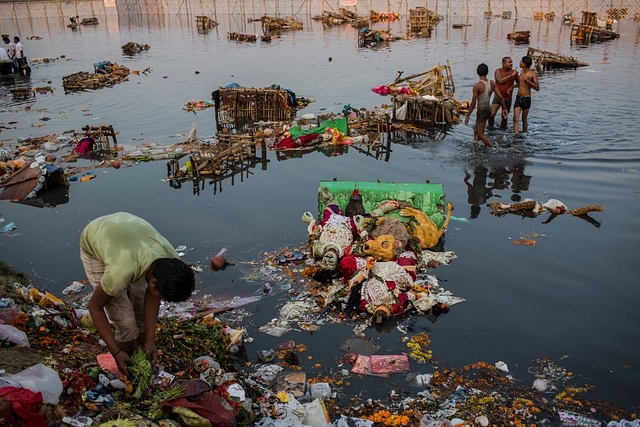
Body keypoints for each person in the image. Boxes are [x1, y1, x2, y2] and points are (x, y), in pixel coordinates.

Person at [80, 212, 196, 375]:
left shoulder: (171, 262)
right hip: (96, 239)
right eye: (162, 297)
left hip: (130, 234)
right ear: (153, 281)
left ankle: (142, 353)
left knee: (140, 313)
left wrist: (150, 340)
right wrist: (116, 352)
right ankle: (126, 365)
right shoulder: (120, 272)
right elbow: (94, 307)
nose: (162, 300)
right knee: (125, 322)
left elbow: (153, 296)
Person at [465, 63, 507, 148]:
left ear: (477, 72)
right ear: (487, 72)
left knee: (480, 134)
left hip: (481, 110)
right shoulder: (492, 83)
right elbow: (500, 97)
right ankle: (476, 144)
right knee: (476, 129)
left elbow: (473, 103)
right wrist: (504, 108)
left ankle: (493, 148)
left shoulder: (477, 86)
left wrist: (468, 115)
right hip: (488, 109)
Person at [488, 57, 519, 129]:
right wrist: (511, 75)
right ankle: (490, 128)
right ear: (503, 64)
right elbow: (500, 80)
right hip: (497, 97)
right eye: (509, 62)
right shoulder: (498, 71)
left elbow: (519, 83)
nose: (511, 64)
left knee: (504, 118)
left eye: (511, 62)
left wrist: (512, 87)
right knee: (491, 115)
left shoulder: (514, 72)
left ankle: (502, 133)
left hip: (508, 98)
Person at [513, 56, 540, 134]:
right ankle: (516, 135)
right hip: (518, 97)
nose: (520, 63)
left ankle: (524, 133)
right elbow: (520, 84)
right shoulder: (521, 72)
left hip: (526, 99)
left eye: (521, 62)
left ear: (524, 64)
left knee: (524, 119)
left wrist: (529, 82)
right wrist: (512, 87)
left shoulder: (532, 74)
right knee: (515, 118)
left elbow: (537, 88)